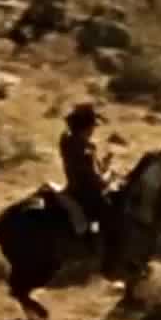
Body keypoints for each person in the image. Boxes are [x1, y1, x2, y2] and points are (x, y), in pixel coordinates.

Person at [58, 102, 111, 242]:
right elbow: (91, 175)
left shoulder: (70, 141)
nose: (93, 130)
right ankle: (94, 241)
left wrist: (104, 166)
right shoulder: (83, 148)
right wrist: (105, 180)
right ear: (85, 127)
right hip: (85, 192)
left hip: (76, 187)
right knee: (107, 210)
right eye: (92, 126)